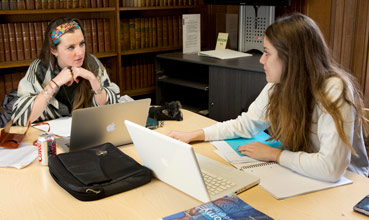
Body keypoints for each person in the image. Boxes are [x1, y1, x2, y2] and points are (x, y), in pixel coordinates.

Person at [168, 13, 369, 182]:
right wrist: (195, 135)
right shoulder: (280, 84)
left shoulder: (334, 89)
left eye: (267, 53)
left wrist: (275, 155)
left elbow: (331, 168)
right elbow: (246, 124)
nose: (261, 60)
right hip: (306, 175)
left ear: (292, 58)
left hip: (348, 183)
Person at [11, 18, 120, 126]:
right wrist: (55, 83)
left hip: (86, 131)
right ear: (54, 50)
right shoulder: (39, 68)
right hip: (48, 136)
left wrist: (92, 79)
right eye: (71, 47)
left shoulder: (91, 62)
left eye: (82, 44)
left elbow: (110, 109)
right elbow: (22, 117)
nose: (80, 53)